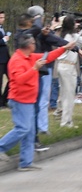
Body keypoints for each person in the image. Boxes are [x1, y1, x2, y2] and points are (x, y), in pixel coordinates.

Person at [0, 34, 75, 170]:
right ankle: (1, 147)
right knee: (23, 128)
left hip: (28, 100)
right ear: (29, 45)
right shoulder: (17, 60)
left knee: (29, 132)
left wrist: (64, 47)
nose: (35, 45)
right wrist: (34, 68)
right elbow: (18, 80)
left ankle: (26, 163)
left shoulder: (30, 57)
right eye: (34, 43)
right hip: (19, 100)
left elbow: (48, 56)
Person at [57, 15, 82, 128]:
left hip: (62, 66)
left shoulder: (63, 35)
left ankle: (65, 119)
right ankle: (66, 122)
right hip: (68, 67)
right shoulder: (73, 35)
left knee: (65, 94)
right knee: (69, 95)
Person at [0, 10, 10, 108]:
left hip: (6, 58)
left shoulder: (2, 28)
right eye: (1, 17)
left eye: (3, 17)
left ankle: (4, 99)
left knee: (12, 78)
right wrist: (4, 40)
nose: (3, 19)